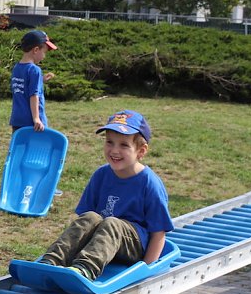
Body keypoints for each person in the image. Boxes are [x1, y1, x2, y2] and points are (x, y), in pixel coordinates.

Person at [37, 109, 174, 281]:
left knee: (111, 223)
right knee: (91, 217)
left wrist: (146, 270)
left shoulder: (149, 183)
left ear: (141, 151)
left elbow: (158, 232)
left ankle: (85, 269)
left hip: (133, 246)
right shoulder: (101, 175)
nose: (114, 150)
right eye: (110, 142)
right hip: (102, 243)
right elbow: (84, 220)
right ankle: (51, 261)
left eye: (124, 145)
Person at [10, 29, 56, 133]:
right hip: (32, 123)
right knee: (37, 148)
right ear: (36, 50)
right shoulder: (35, 70)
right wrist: (36, 119)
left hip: (17, 120)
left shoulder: (17, 67)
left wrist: (41, 80)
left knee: (20, 148)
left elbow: (24, 87)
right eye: (44, 52)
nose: (44, 56)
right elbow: (33, 95)